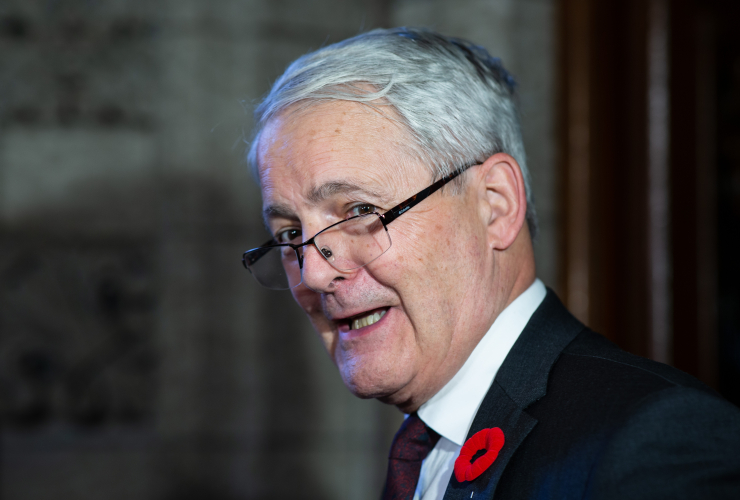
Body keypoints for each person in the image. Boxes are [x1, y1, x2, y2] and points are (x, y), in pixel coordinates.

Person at [242, 27, 740, 500]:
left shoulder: (654, 439)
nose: (314, 273)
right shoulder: (425, 454)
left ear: (495, 205)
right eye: (290, 235)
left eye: (358, 212)